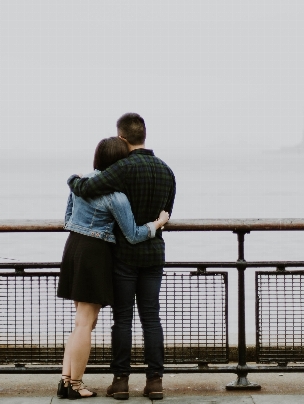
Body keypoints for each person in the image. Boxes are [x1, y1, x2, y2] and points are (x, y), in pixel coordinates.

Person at [67, 113, 176, 401]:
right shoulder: (167, 171)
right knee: (152, 318)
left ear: (122, 138)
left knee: (123, 319)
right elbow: (167, 212)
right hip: (154, 253)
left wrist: (73, 180)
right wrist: (156, 224)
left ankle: (121, 382)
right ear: (144, 135)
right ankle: (155, 382)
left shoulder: (121, 168)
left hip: (124, 255)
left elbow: (88, 188)